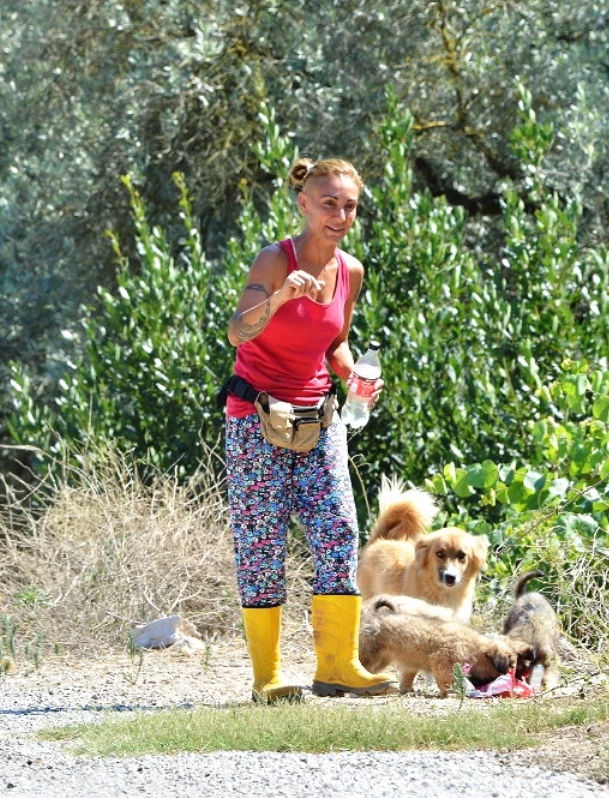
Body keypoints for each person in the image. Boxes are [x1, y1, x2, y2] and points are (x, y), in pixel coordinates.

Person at [221, 156, 395, 702]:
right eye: (329, 204)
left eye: (349, 206)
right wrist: (281, 299)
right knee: (262, 543)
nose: (340, 215)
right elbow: (236, 333)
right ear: (304, 203)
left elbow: (335, 344)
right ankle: (267, 678)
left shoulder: (352, 270)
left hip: (319, 418)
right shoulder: (275, 260)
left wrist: (356, 376)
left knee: (339, 530)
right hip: (256, 419)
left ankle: (338, 667)